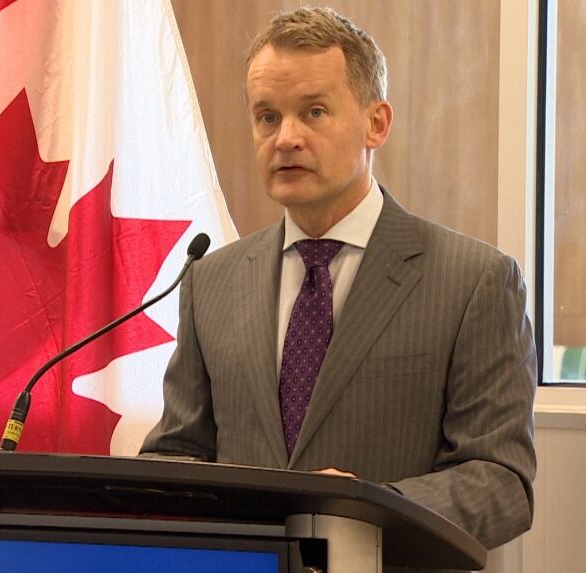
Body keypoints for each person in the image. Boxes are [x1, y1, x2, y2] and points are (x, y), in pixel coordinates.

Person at [140, 5, 536, 566]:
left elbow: (502, 484)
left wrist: (361, 509)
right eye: (267, 117)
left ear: (376, 123)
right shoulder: (210, 281)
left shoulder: (475, 281)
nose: (286, 138)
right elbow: (180, 452)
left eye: (315, 112)